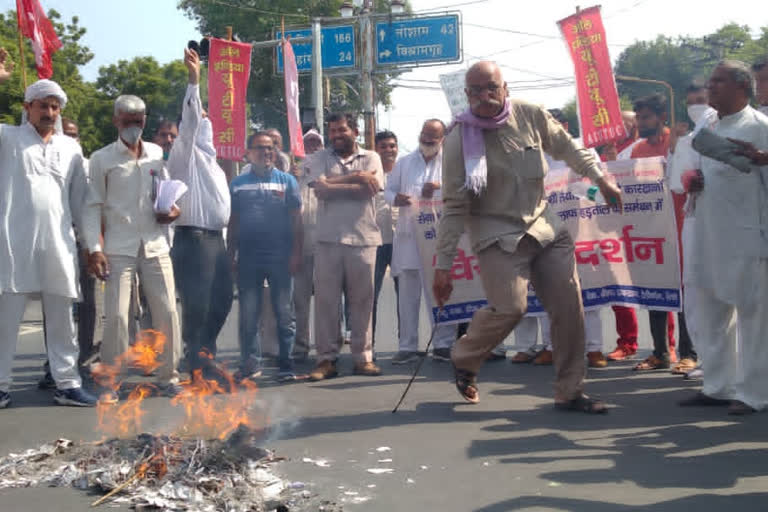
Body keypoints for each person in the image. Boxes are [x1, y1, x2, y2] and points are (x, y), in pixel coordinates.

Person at [433, 61, 621, 413]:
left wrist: (600, 178)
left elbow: (567, 147)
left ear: (506, 88)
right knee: (511, 308)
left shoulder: (530, 114)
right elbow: (454, 206)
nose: (484, 97)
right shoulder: (458, 139)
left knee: (569, 308)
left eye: (491, 88)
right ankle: (465, 355)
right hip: (495, 232)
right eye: (475, 91)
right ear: (466, 94)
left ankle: (570, 391)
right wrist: (442, 266)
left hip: (543, 225)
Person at [0, 58, 98, 407]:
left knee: (62, 319)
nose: (50, 111)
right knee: (6, 318)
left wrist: (91, 246)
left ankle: (67, 383)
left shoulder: (70, 148)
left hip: (59, 243)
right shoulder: (7, 138)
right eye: (43, 105)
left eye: (55, 106)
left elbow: (82, 202)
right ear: (27, 107)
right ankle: (1, 384)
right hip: (13, 244)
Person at [679, 60, 768, 415]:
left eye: (718, 82)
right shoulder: (707, 123)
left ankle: (754, 393)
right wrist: (693, 181)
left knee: (753, 316)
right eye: (711, 81)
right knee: (711, 311)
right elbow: (692, 170)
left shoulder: (760, 127)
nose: (710, 88)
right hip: (707, 232)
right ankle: (717, 385)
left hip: (746, 237)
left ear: (741, 88)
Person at [84, 94, 183, 400]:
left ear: (145, 121)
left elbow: (167, 193)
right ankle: (111, 382)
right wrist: (93, 248)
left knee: (167, 310)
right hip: (118, 247)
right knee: (116, 316)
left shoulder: (156, 153)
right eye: (126, 120)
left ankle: (169, 376)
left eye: (138, 120)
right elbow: (92, 206)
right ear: (116, 121)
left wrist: (174, 210)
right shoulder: (102, 158)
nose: (133, 125)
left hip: (155, 244)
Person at [167, 48, 233, 376]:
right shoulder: (186, 152)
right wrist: (194, 82)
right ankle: (198, 365)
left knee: (221, 301)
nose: (206, 118)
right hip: (193, 240)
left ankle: (203, 355)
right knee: (198, 306)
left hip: (214, 241)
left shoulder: (211, 163)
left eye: (208, 116)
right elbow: (191, 119)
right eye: (202, 114)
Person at [305, 112, 384, 380]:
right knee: (326, 303)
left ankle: (363, 358)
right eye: (333, 132)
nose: (337, 136)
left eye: (342, 130)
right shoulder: (319, 158)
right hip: (328, 240)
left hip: (363, 239)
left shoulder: (372, 157)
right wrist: (358, 178)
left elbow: (369, 191)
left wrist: (334, 184)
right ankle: (326, 360)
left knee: (362, 301)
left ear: (355, 132)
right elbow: (319, 189)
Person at [227, 132, 302, 382]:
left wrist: (296, 254)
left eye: (270, 148)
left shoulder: (288, 181)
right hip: (249, 257)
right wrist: (231, 255)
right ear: (248, 153)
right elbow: (233, 222)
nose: (266, 153)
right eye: (260, 148)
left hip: (280, 257)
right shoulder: (237, 184)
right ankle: (250, 364)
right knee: (249, 314)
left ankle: (286, 365)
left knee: (284, 312)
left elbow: (296, 221)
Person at [613, 94, 680, 371]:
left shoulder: (676, 143)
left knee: (682, 292)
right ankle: (660, 353)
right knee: (655, 291)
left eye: (646, 117)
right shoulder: (637, 151)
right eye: (639, 118)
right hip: (650, 230)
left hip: (679, 225)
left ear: (662, 117)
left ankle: (685, 352)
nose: (641, 123)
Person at [385, 120, 457, 363]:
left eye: (432, 138)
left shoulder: (451, 162)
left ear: (442, 139)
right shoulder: (404, 163)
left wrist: (439, 187)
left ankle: (443, 344)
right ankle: (407, 346)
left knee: (439, 293)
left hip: (438, 239)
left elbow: (462, 190)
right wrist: (397, 198)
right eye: (423, 136)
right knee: (407, 295)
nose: (426, 141)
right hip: (408, 238)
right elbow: (387, 190)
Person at [665, 84, 717, 376]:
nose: (697, 106)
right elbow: (677, 182)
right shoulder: (689, 138)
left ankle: (728, 368)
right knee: (696, 292)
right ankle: (710, 363)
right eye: (691, 102)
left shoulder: (740, 126)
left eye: (702, 100)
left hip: (725, 223)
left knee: (724, 296)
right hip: (695, 219)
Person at [291, 128, 324, 360]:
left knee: (327, 298)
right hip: (299, 245)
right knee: (300, 299)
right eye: (308, 142)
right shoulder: (293, 171)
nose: (312, 146)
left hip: (325, 244)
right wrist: (293, 177)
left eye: (316, 142)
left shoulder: (329, 168)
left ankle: (327, 343)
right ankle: (301, 344)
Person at [373, 130, 400, 350]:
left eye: (392, 146)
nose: (388, 150)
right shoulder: (370, 173)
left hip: (403, 242)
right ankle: (366, 345)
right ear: (376, 149)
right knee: (369, 295)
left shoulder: (405, 171)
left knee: (407, 296)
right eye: (383, 146)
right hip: (375, 241)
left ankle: (406, 344)